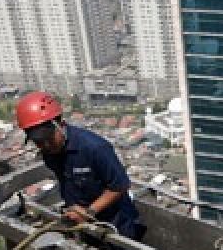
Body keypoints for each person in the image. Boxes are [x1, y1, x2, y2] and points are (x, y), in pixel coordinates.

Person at [15, 91, 143, 239]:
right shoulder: (48, 153)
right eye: (39, 142)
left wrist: (89, 212)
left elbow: (119, 185)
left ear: (61, 125)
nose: (46, 146)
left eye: (49, 139)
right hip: (80, 220)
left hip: (116, 222)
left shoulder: (94, 148)